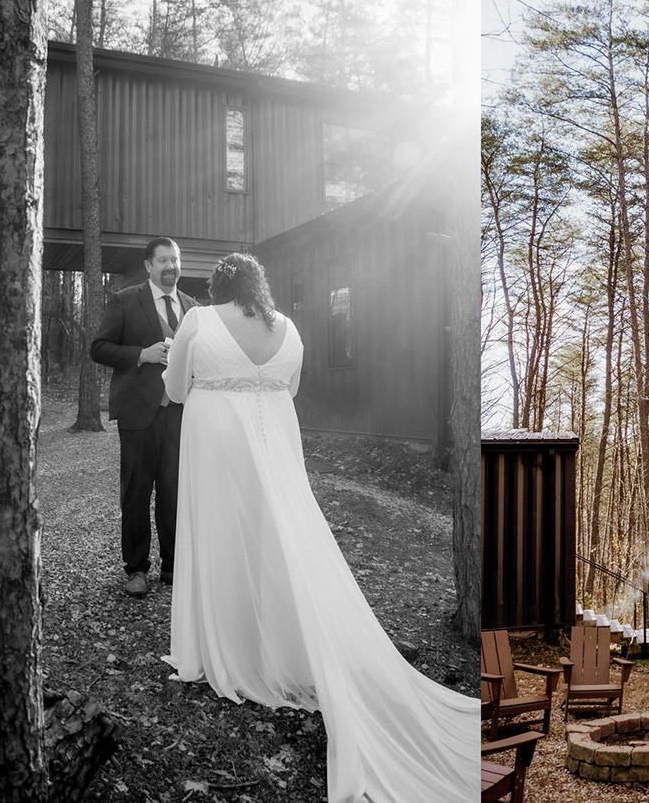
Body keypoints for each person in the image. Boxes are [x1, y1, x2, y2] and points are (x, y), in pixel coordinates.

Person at [161, 253, 477, 803]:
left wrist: (185, 366)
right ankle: (276, 642)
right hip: (275, 441)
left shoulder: (198, 320)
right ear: (258, 286)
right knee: (281, 543)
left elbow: (177, 390)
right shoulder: (288, 328)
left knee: (221, 541)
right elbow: (293, 388)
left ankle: (228, 648)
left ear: (218, 287)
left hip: (216, 440)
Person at [91, 237, 196, 596]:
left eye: (176, 259)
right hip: (138, 414)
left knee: (174, 492)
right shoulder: (125, 300)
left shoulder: (192, 307)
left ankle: (172, 566)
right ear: (149, 265)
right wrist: (141, 354)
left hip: (180, 414)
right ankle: (135, 569)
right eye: (163, 260)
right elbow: (99, 348)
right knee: (136, 494)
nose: (171, 266)